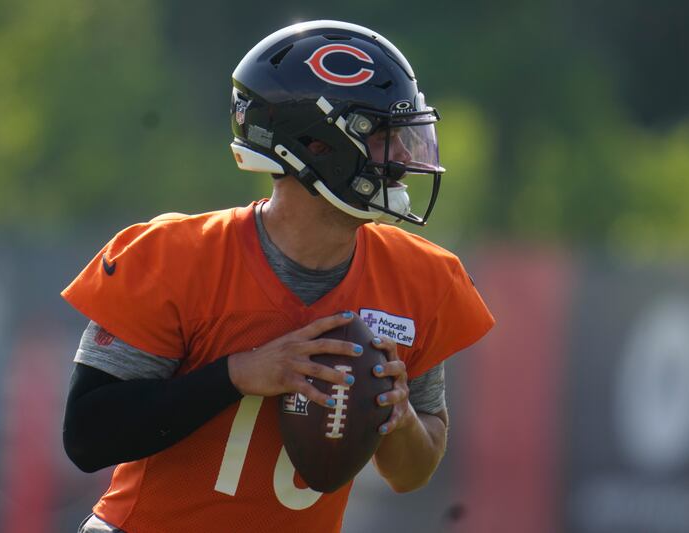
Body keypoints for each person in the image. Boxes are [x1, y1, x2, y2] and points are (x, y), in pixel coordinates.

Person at [62, 20, 494, 533]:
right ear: (316, 145)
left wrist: (397, 420)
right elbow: (88, 437)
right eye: (382, 135)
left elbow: (411, 473)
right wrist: (237, 374)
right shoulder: (179, 258)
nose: (401, 158)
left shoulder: (419, 278)